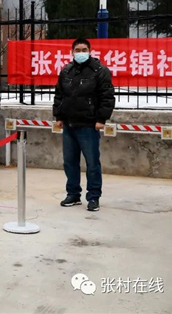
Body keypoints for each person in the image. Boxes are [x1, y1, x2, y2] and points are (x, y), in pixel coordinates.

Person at [53, 38, 115, 212]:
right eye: (78, 50)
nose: (81, 53)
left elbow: (107, 96)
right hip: (69, 124)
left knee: (92, 163)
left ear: (90, 51)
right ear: (72, 52)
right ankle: (73, 194)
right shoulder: (66, 70)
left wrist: (101, 119)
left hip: (89, 125)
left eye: (84, 49)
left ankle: (93, 197)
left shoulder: (100, 71)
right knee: (69, 162)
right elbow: (59, 95)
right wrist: (59, 116)